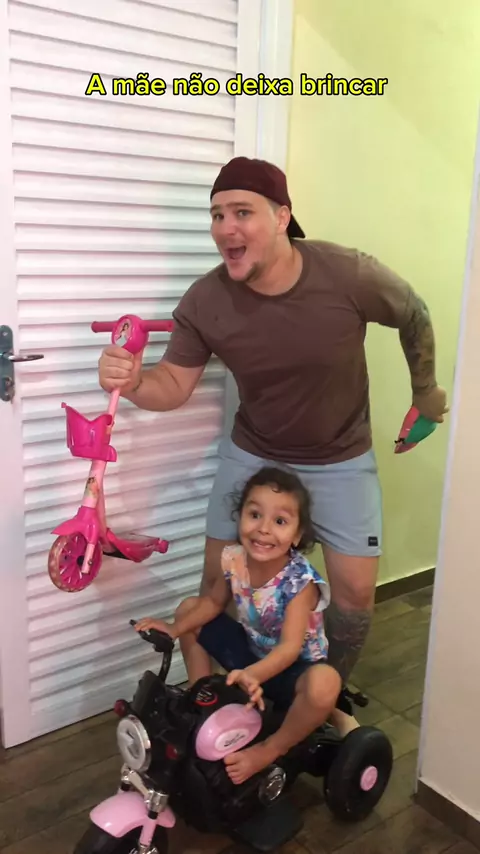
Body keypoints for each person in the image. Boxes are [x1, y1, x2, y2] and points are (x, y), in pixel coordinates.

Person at [98, 156, 448, 734]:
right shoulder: (205, 300)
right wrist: (133, 382)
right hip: (255, 451)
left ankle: (321, 700)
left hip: (340, 457)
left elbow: (413, 311)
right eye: (217, 215)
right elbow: (173, 385)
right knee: (218, 584)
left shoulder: (347, 274)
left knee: (356, 596)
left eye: (242, 212)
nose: (226, 228)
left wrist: (426, 394)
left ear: (283, 216)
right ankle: (222, 702)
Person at [134, 466, 342, 785]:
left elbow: (289, 649)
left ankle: (269, 750)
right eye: (255, 515)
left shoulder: (300, 582)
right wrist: (174, 628)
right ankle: (203, 705)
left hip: (292, 670)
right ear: (240, 516)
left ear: (297, 535)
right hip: (250, 655)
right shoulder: (233, 558)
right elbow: (213, 603)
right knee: (190, 608)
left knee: (326, 683)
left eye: (280, 521)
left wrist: (254, 674)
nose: (263, 529)